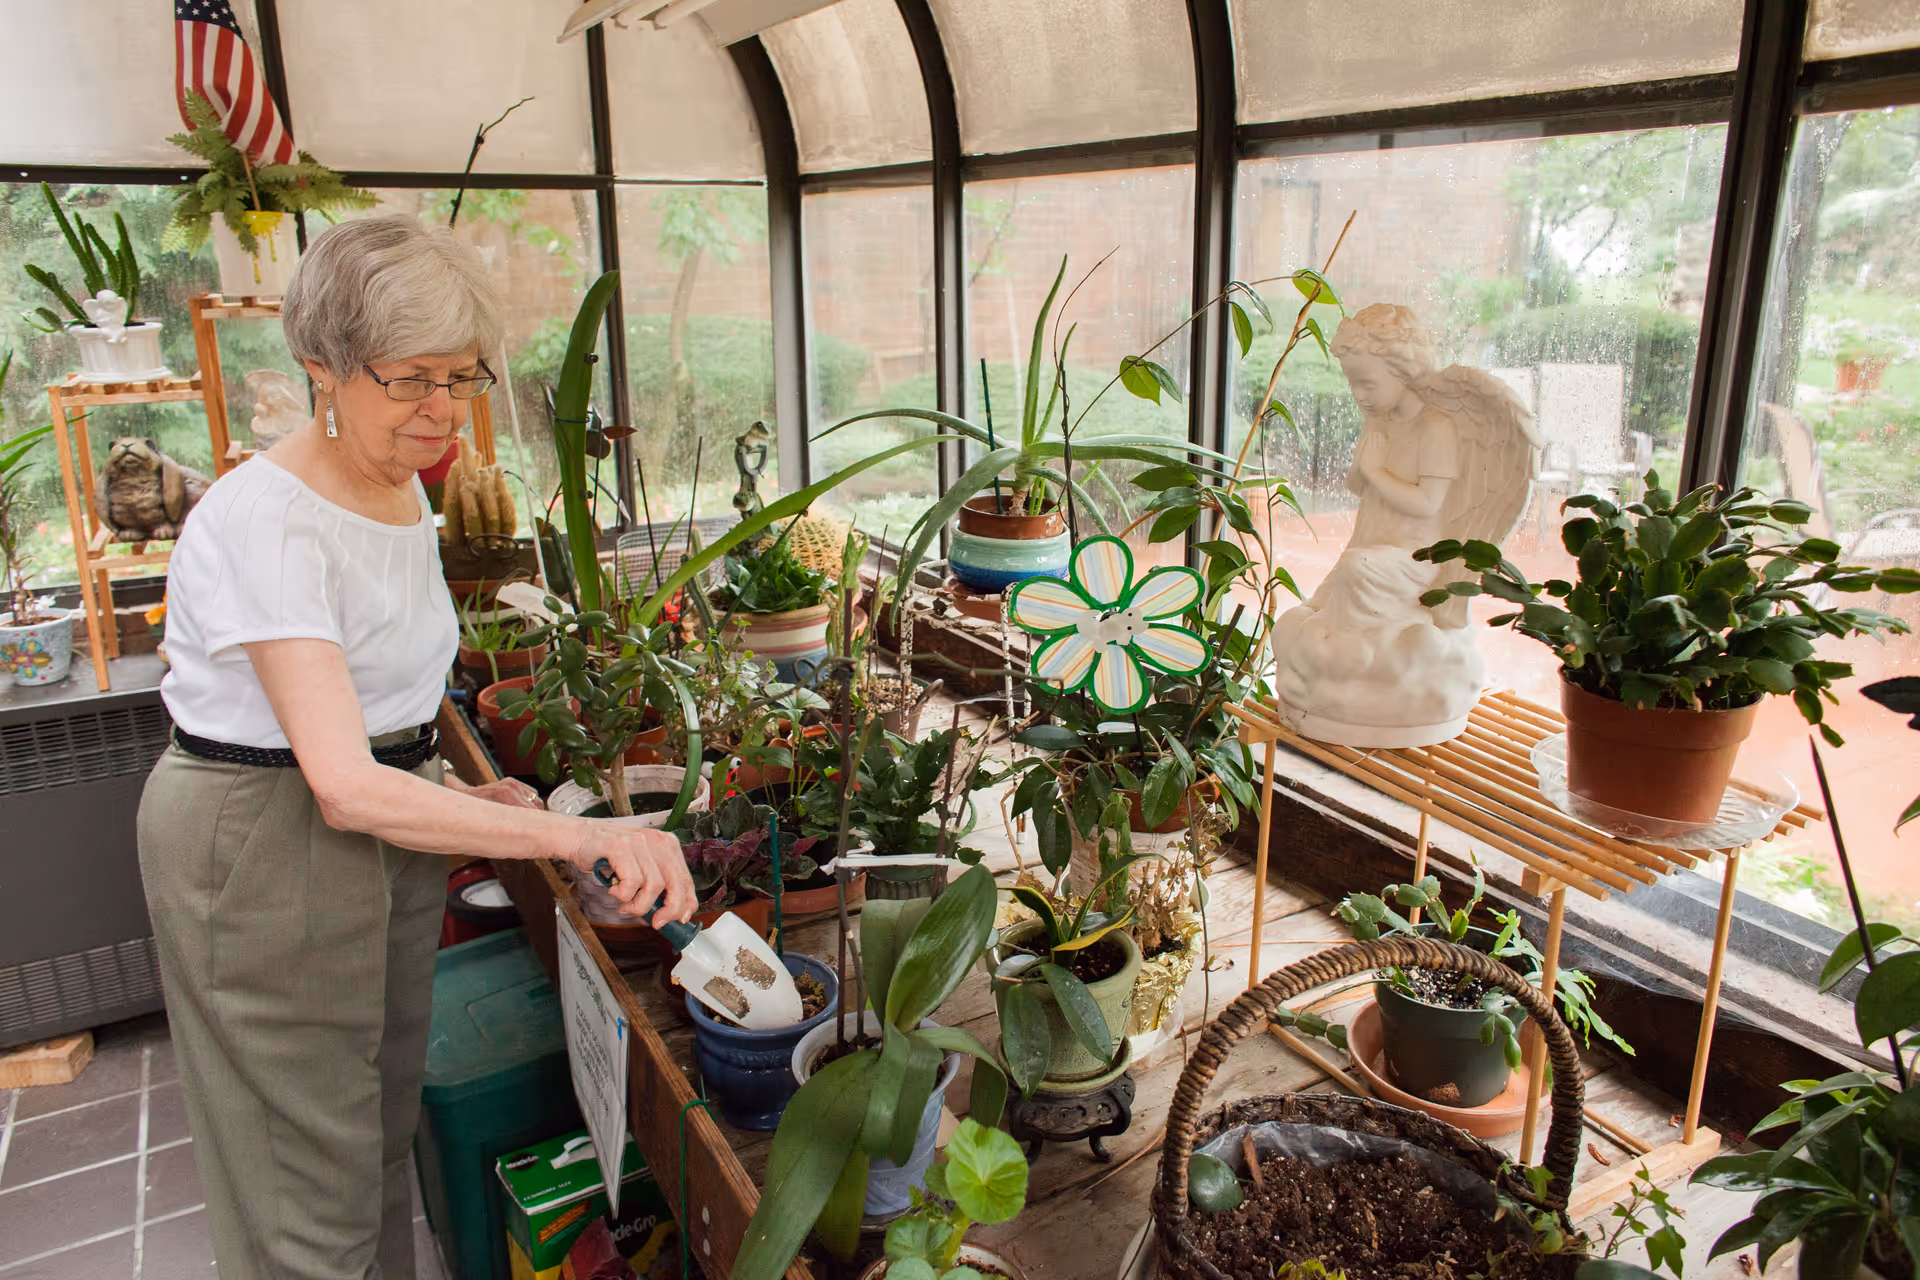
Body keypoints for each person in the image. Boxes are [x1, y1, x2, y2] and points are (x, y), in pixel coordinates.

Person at [138, 213, 696, 1280]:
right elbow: (340, 782)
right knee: (306, 1186)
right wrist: (589, 836)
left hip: (379, 822)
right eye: (408, 379)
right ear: (322, 368)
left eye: (462, 374)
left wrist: (509, 810)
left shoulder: (396, 489)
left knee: (371, 1129)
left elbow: (386, 719)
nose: (442, 408)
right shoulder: (271, 519)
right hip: (264, 842)